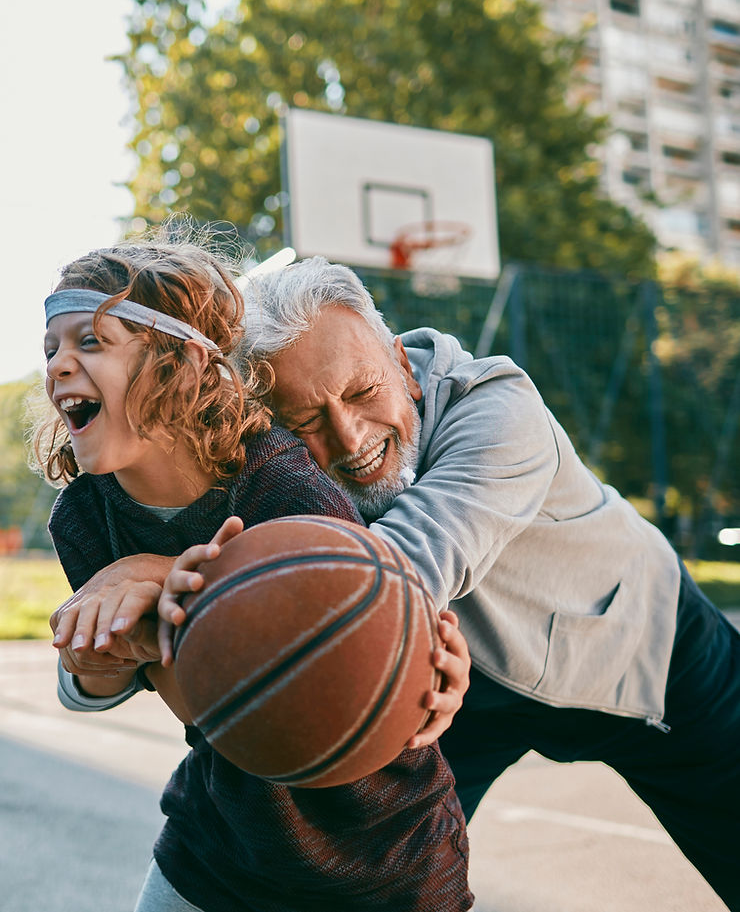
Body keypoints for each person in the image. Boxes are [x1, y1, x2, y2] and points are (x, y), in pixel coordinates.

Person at [230, 255, 738, 911]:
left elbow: (389, 580)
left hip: (643, 650)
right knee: (354, 885)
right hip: (463, 689)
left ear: (402, 367)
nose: (349, 435)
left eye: (360, 392)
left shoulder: (499, 410)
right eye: (305, 421)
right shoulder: (278, 468)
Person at [36, 230, 474, 912]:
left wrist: (178, 588)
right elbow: (210, 714)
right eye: (51, 348)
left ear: (174, 361)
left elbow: (375, 651)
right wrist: (120, 651)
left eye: (89, 342)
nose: (59, 365)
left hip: (386, 856)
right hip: (223, 843)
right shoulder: (85, 518)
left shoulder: (284, 487)